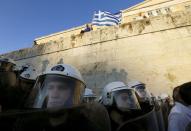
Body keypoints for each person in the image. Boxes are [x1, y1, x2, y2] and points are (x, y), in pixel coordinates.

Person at [14, 64, 111, 131]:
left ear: (71, 94)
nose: (54, 94)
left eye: (61, 88)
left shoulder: (85, 127)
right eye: (50, 88)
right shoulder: (29, 125)